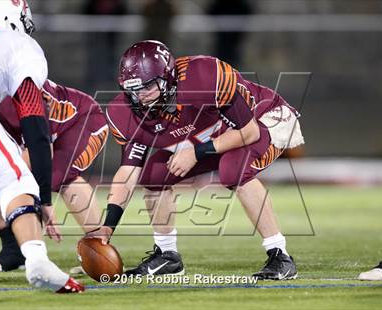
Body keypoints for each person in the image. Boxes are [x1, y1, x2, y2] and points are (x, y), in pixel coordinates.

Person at [88, 40, 304, 280]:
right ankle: (167, 255)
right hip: (214, 134)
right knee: (153, 175)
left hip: (265, 118)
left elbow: (249, 132)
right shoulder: (124, 112)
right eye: (133, 89)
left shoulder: (202, 76)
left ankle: (280, 255)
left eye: (147, 87)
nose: (140, 96)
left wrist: (196, 152)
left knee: (234, 170)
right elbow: (128, 172)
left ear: (167, 77)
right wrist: (108, 226)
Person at [0, 0, 83, 292]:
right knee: (14, 180)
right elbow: (34, 123)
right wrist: (43, 197)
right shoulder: (17, 42)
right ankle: (36, 260)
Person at [0, 80, 108, 272]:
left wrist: (42, 199)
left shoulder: (12, 95)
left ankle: (99, 250)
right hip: (45, 135)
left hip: (81, 119)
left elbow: (40, 151)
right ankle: (14, 249)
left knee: (59, 176)